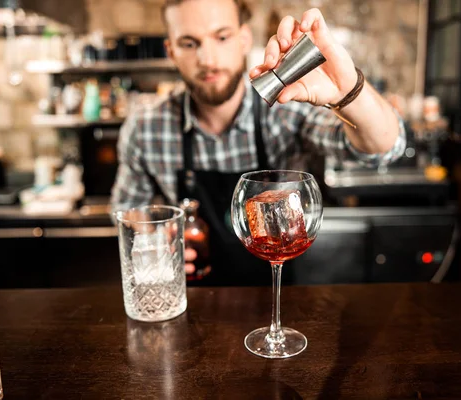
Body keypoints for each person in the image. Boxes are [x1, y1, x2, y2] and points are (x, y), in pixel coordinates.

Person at [110, 0, 406, 286]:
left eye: (222, 37)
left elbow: (383, 149)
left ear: (243, 39)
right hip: (195, 304)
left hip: (278, 301)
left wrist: (347, 90)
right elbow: (127, 213)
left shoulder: (287, 109)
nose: (208, 59)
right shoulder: (146, 128)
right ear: (171, 50)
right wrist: (155, 239)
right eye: (189, 43)